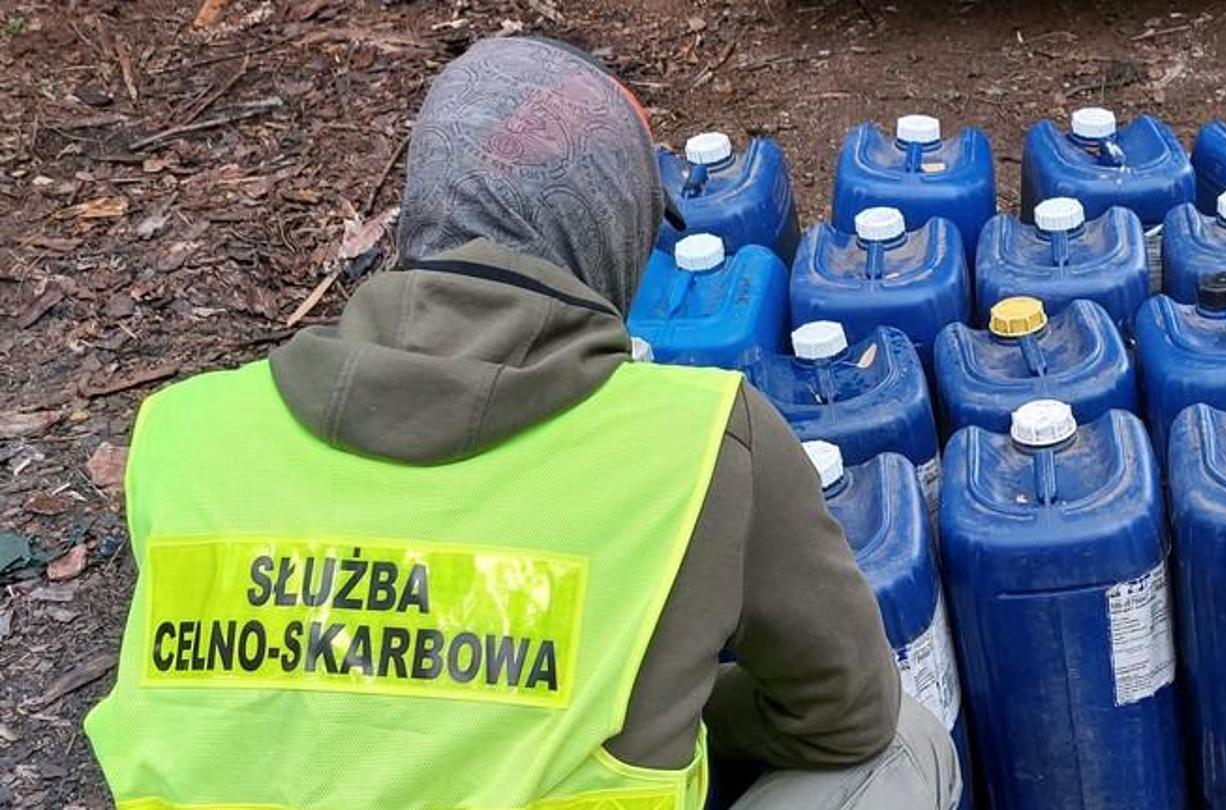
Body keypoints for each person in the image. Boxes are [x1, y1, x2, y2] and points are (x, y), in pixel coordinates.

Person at [84, 36, 961, 810]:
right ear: (610, 234)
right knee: (903, 744)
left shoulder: (185, 431)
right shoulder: (696, 443)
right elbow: (842, 715)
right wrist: (677, 707)